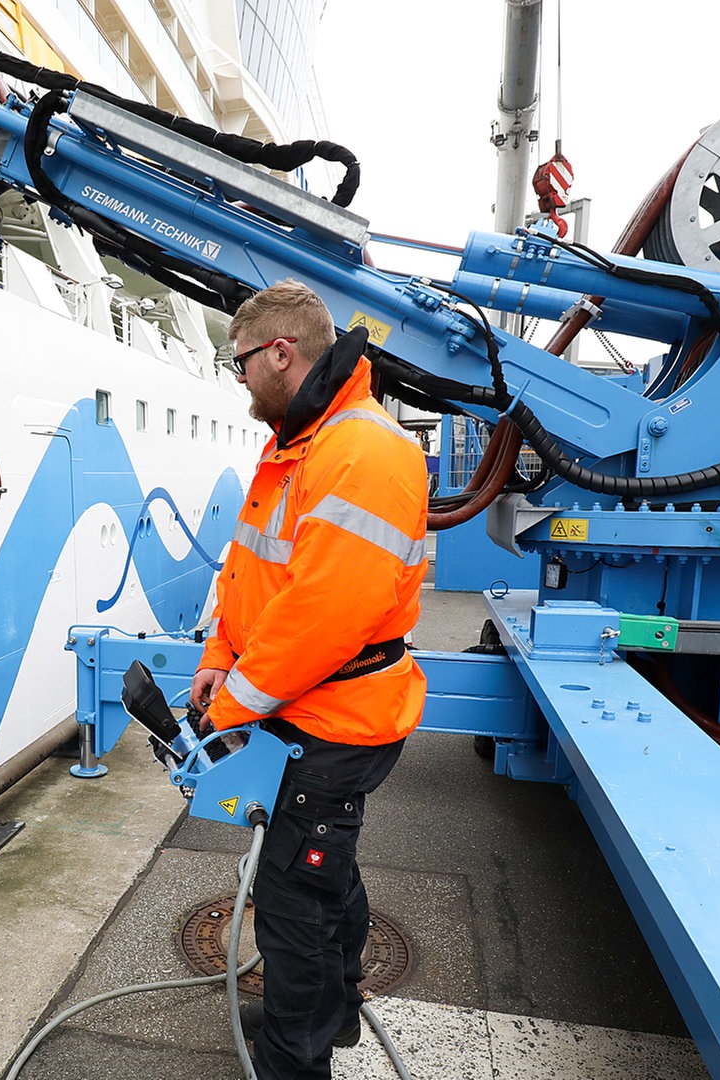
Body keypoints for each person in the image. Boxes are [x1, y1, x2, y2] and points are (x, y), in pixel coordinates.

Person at [192, 280, 429, 1080]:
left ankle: (297, 1060)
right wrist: (217, 659)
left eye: (241, 364)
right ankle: (338, 1007)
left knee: (294, 903)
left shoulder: (360, 453)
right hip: (304, 709)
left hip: (336, 718)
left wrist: (229, 709)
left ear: (281, 353)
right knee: (324, 869)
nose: (240, 379)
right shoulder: (303, 443)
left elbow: (321, 617)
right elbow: (250, 573)